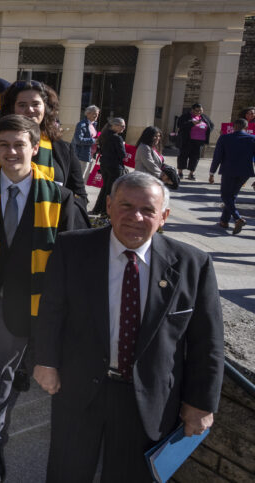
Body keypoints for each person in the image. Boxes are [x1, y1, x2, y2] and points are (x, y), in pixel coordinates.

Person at [34, 172, 224, 482]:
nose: (135, 217)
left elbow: (208, 343)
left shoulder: (193, 264)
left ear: (163, 216)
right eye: (125, 205)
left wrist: (201, 403)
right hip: (80, 387)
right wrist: (46, 360)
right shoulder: (72, 248)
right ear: (108, 206)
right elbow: (52, 309)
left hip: (149, 399)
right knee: (67, 471)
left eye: (148, 210)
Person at [0, 114, 87, 482]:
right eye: (4, 144)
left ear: (35, 148)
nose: (11, 152)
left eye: (19, 144)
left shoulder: (59, 195)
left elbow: (71, 259)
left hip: (23, 302)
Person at [1, 80, 87, 203]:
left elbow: (80, 197)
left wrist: (63, 213)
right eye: (22, 105)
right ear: (12, 108)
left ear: (46, 108)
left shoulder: (64, 150)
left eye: (35, 104)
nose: (29, 110)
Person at [209, 118, 255, 233]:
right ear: (247, 127)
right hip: (245, 172)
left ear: (234, 126)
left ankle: (237, 218)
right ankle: (224, 221)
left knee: (225, 195)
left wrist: (212, 173)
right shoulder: (253, 139)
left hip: (229, 171)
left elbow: (217, 157)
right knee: (232, 196)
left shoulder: (225, 137)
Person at [91, 118, 127, 216]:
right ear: (114, 126)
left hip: (105, 164)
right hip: (115, 166)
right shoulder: (117, 138)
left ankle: (98, 209)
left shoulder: (104, 135)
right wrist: (123, 146)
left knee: (105, 187)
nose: (124, 127)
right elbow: (122, 155)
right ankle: (105, 211)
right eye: (122, 125)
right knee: (111, 189)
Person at [176, 103, 212, 180]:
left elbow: (211, 125)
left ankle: (191, 174)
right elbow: (180, 126)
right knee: (183, 156)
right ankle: (180, 172)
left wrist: (207, 132)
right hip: (187, 140)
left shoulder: (204, 117)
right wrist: (192, 123)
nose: (199, 112)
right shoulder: (185, 116)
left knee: (195, 157)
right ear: (192, 110)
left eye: (201, 110)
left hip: (199, 142)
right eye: (197, 110)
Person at [71, 105, 100, 174]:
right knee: (80, 178)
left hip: (91, 156)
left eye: (97, 114)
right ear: (88, 114)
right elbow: (78, 140)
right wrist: (94, 141)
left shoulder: (93, 125)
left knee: (85, 180)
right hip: (82, 156)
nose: (96, 115)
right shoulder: (81, 125)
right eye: (94, 113)